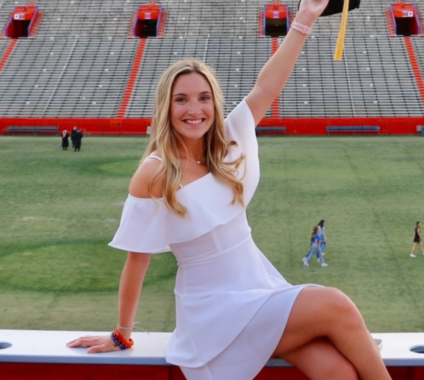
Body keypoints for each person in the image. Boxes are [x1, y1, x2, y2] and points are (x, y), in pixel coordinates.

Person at [66, 3, 390, 379]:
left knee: (338, 372)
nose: (194, 109)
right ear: (166, 108)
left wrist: (305, 18)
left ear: (214, 103)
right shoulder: (154, 172)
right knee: (336, 304)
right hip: (214, 308)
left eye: (203, 98)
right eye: (181, 99)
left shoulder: (228, 140)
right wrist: (123, 333)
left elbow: (266, 86)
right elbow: (136, 260)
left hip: (260, 287)